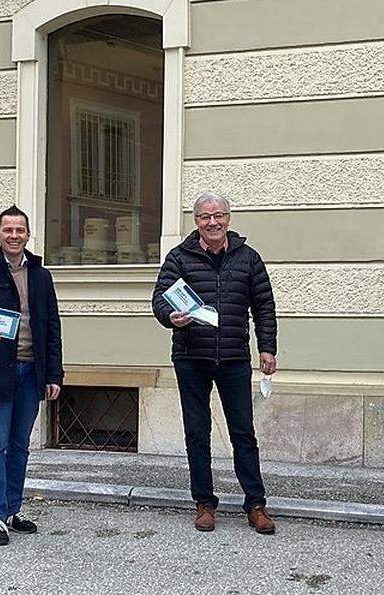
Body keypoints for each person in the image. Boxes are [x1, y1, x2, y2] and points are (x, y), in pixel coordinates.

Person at [151, 192, 278, 534]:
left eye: (218, 215)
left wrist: (267, 348)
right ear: (196, 222)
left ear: (228, 219)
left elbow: (264, 306)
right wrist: (170, 317)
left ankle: (255, 504)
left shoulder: (248, 258)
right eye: (205, 217)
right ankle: (204, 503)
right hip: (191, 357)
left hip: (235, 357)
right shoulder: (179, 258)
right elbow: (160, 300)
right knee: (197, 432)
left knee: (243, 433)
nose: (213, 222)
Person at [0, 205, 63, 546]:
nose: (14, 236)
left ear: (28, 234)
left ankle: (12, 510)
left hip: (33, 372)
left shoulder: (41, 275)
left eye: (20, 230)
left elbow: (52, 328)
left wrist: (54, 374)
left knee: (20, 446)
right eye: (8, 230)